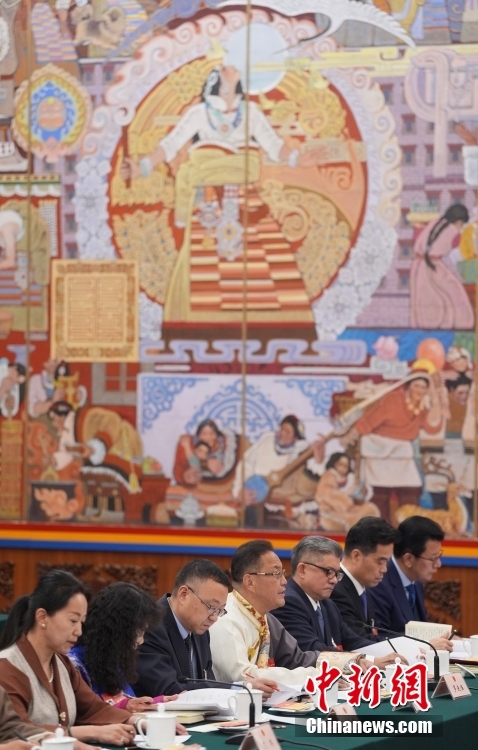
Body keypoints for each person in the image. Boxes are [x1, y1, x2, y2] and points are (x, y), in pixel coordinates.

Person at [209, 540, 372, 687]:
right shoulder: (225, 618)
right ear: (250, 582)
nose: (284, 581)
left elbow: (297, 659)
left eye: (282, 573)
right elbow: (244, 676)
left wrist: (349, 662)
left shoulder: (266, 618)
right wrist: (315, 676)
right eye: (276, 574)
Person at [0, 570, 137, 743]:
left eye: (82, 622)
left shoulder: (61, 663)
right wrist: (87, 732)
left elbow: (94, 709)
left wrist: (138, 722)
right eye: (73, 621)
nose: (78, 631)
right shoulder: (7, 666)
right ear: (42, 617)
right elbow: (17, 730)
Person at [272, 536, 403, 670]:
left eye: (336, 573)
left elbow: (353, 640)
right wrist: (366, 660)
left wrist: (394, 651)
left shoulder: (328, 605)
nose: (334, 580)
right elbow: (311, 648)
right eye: (329, 572)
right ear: (302, 570)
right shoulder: (288, 602)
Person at [340, 370, 444, 523]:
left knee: (411, 491)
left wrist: (435, 400)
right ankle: (380, 529)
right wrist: (350, 436)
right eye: (416, 386)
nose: (419, 390)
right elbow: (369, 420)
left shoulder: (421, 407)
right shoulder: (393, 399)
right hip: (379, 451)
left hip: (402, 455)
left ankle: (410, 528)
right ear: (408, 386)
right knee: (380, 494)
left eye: (423, 387)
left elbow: (432, 427)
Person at [69, 583, 176, 711]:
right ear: (118, 631)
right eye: (139, 632)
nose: (141, 641)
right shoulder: (74, 666)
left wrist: (156, 702)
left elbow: (124, 701)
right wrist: (125, 706)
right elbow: (85, 714)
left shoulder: (111, 660)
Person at [370, 516, 453, 651]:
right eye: (433, 558)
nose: (438, 564)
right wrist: (427, 644)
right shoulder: (379, 583)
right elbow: (379, 639)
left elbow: (418, 628)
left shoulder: (416, 581)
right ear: (408, 559)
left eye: (439, 556)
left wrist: (444, 638)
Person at [232, 415, 322, 528]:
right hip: (254, 502)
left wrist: (318, 458)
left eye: (288, 432)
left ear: (295, 438)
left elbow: (312, 481)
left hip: (283, 510)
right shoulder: (266, 440)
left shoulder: (300, 454)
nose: (283, 433)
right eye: (282, 429)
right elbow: (246, 464)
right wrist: (240, 489)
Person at [330, 517, 401, 640]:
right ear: (356, 556)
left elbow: (373, 634)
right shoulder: (336, 589)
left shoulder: (362, 584)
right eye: (380, 562)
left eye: (387, 562)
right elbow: (358, 640)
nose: (384, 569)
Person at [410, 203, 473, 329]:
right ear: (458, 221)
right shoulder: (453, 231)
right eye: (461, 224)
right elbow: (453, 254)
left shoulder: (435, 222)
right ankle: (461, 323)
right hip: (432, 266)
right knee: (454, 292)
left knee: (427, 297)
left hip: (419, 266)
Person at [314, 452, 380, 531]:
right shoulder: (330, 474)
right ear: (334, 463)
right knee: (350, 522)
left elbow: (359, 495)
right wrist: (345, 501)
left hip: (351, 506)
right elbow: (324, 493)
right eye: (340, 464)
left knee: (370, 510)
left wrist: (361, 492)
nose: (342, 468)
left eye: (345, 466)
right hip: (334, 508)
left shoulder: (350, 478)